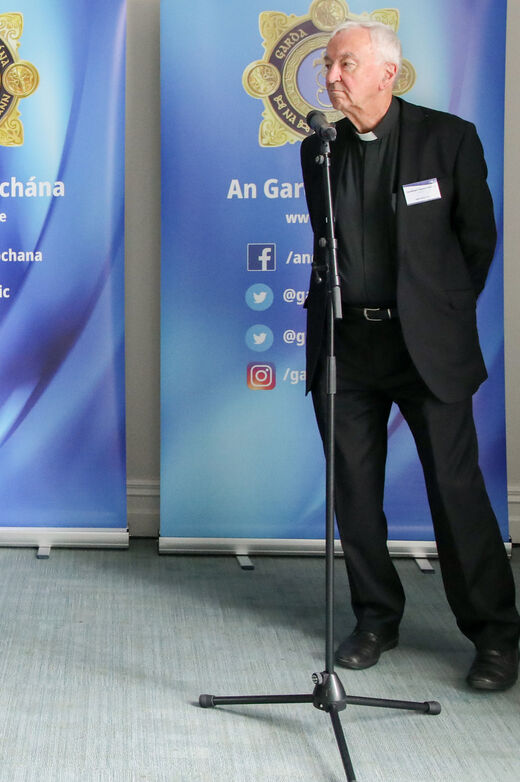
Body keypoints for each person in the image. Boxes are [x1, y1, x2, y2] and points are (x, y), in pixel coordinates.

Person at [301, 20, 519, 690]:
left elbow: (476, 242)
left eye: (345, 64)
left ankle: (495, 636)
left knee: (456, 491)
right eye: (328, 65)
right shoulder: (319, 149)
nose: (332, 77)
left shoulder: (448, 138)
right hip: (346, 345)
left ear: (387, 73)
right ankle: (376, 619)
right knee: (353, 490)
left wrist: (437, 313)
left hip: (425, 346)